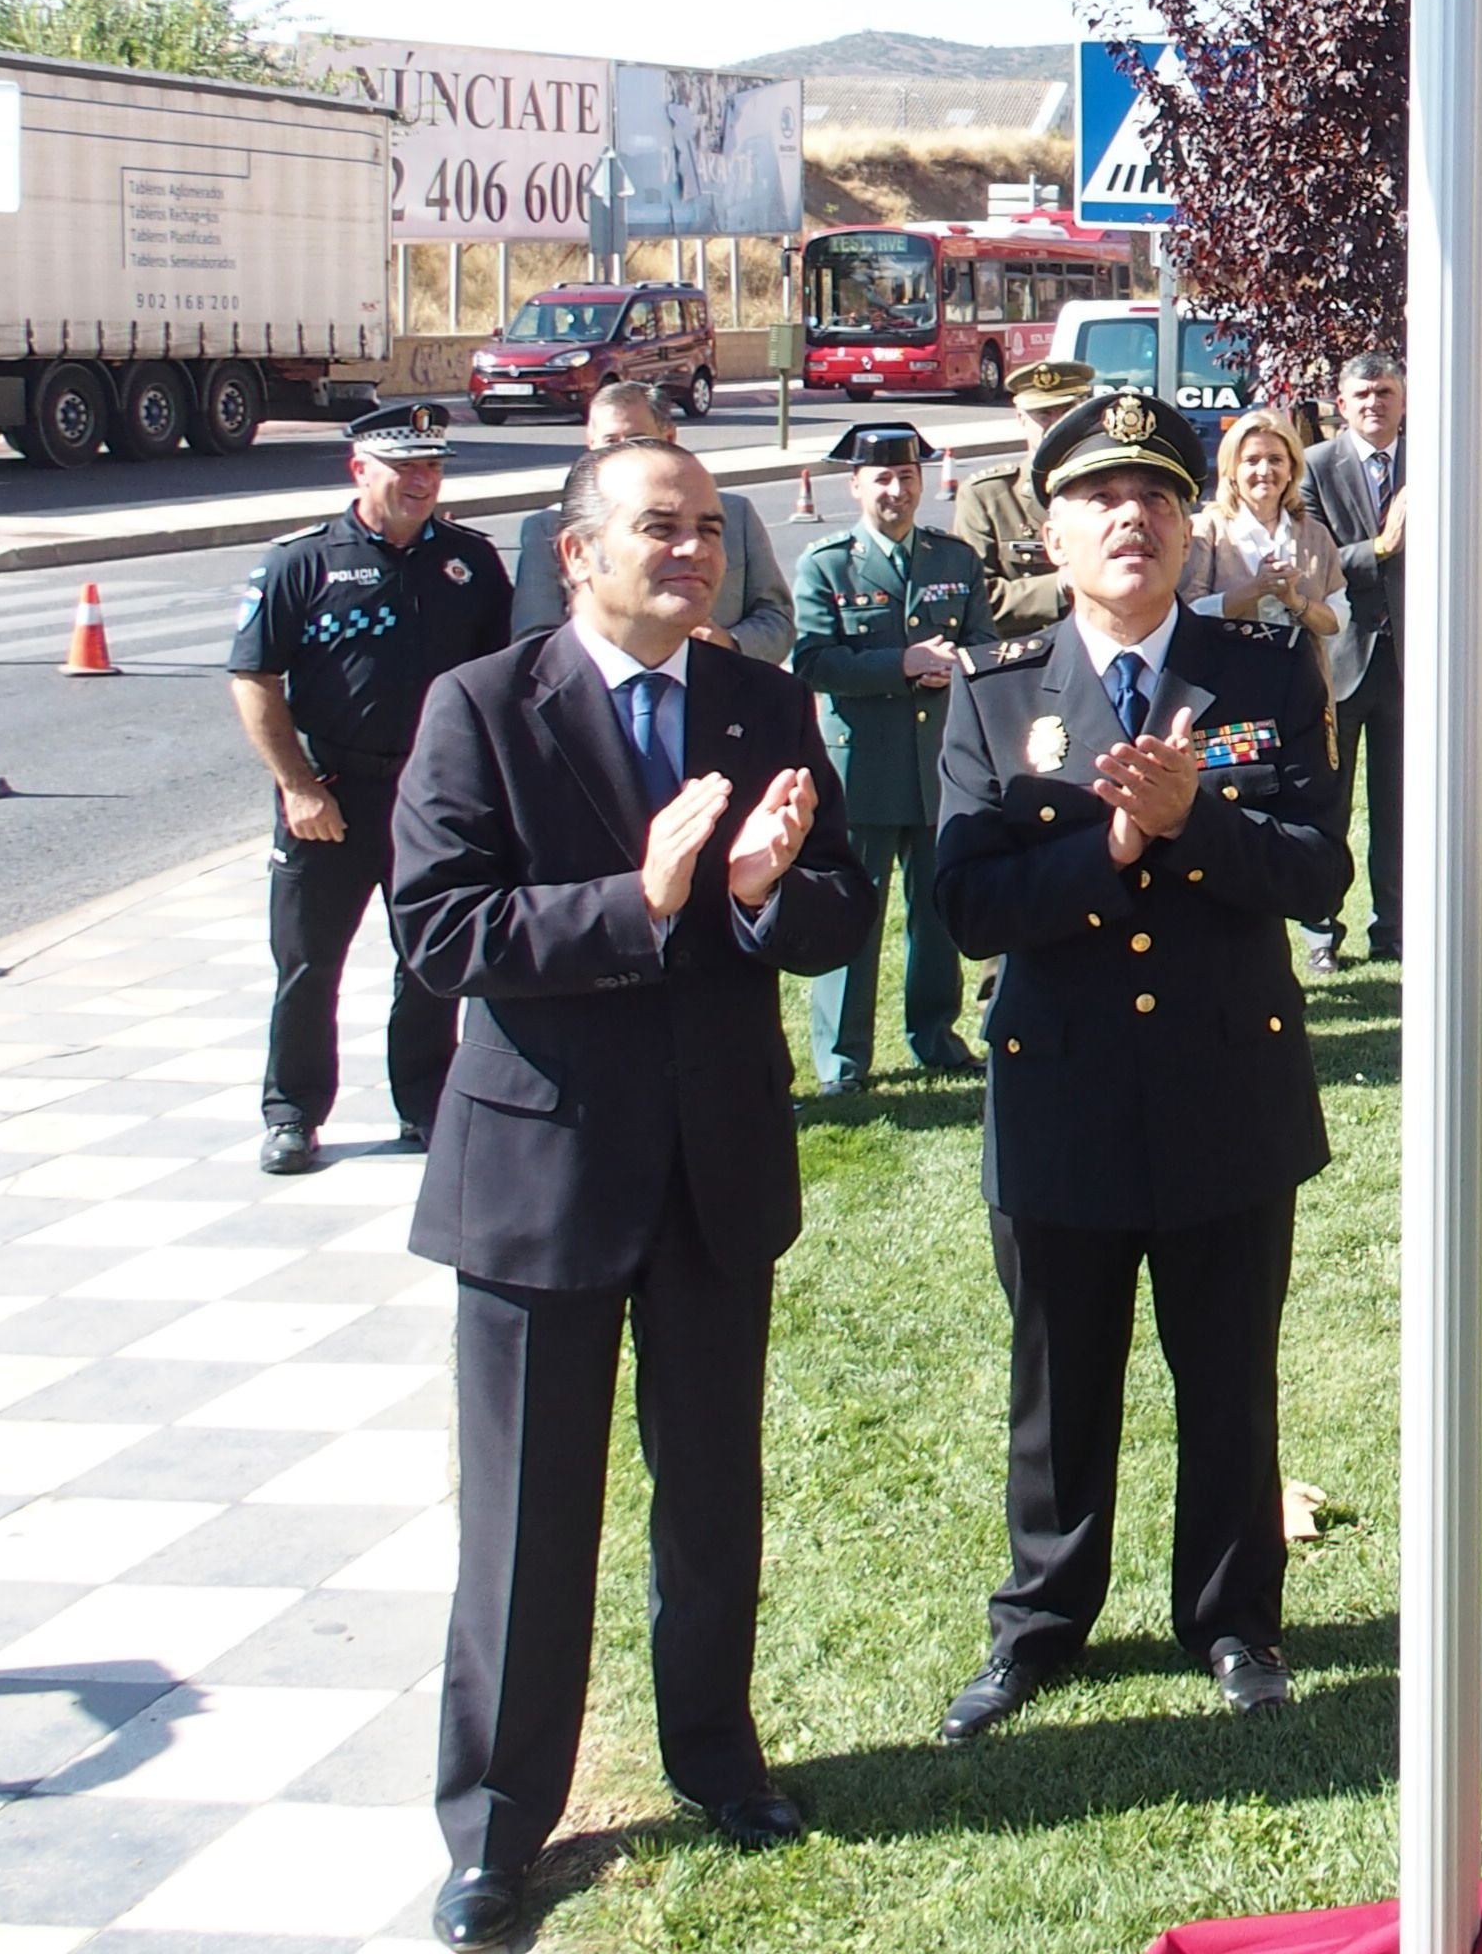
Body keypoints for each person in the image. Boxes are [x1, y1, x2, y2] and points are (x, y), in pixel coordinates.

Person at [390, 438, 873, 1947]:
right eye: (659, 529)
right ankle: (497, 1829)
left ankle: (716, 1758)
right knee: (530, 1522)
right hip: (544, 1174)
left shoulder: (763, 701)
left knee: (711, 1496)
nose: (691, 552)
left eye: (710, 530)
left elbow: (838, 905)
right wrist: (641, 900)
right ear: (576, 550)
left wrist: (754, 896)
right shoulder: (482, 706)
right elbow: (441, 929)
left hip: (715, 1166)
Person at [929, 390, 1343, 1743]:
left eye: (1161, 497)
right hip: (1065, 1092)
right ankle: (1042, 1624)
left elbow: (1317, 868)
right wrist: (1107, 852)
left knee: (1229, 1377)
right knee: (1062, 1382)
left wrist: (1196, 829)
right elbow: (969, 906)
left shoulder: (1266, 673)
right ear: (1050, 536)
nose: (1134, 520)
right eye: (1102, 501)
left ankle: (1234, 1620)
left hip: (1226, 1084)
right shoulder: (998, 699)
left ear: (1191, 528)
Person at [225, 403, 518, 1174]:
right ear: (361, 470)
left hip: (434, 797)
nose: (422, 482)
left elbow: (503, 676)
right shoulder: (302, 562)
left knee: (430, 960)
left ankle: (425, 1103)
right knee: (307, 963)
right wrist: (296, 786)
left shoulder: (469, 562)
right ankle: (293, 1113)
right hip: (333, 793)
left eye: (432, 467)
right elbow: (254, 678)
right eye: (404, 468)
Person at [790, 421, 990, 1090]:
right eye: (881, 479)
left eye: (907, 478)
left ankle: (934, 1034)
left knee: (935, 911)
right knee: (854, 911)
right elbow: (812, 660)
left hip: (938, 765)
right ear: (855, 486)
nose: (896, 491)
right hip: (863, 769)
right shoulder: (828, 563)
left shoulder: (953, 560)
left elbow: (984, 647)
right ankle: (842, 1059)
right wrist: (900, 663)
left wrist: (956, 665)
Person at [508, 380, 793, 663]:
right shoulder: (549, 528)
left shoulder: (734, 514)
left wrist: (729, 644)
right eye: (609, 442)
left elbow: (777, 619)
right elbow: (535, 641)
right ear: (590, 444)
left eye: (636, 440)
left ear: (668, 437)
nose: (692, 548)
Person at [1303, 350, 1412, 966]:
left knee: (1400, 810)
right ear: (1342, 405)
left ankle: (1394, 931)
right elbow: (1315, 564)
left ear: (1402, 400)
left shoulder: (1433, 460)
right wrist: (1382, 546)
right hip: (1336, 663)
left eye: (1386, 393)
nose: (1375, 404)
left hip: (1408, 666)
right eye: (1363, 395)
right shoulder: (1316, 468)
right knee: (1328, 807)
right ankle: (1322, 934)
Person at [1185, 405, 1350, 650]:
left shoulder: (1315, 534)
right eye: (1251, 460)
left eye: (1276, 460)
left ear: (1291, 470)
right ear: (1231, 470)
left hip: (1302, 681)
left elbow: (1338, 621)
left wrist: (1296, 602)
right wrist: (1256, 589)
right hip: (1227, 679)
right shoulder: (1206, 530)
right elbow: (1188, 616)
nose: (1264, 471)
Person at [956, 357, 1100, 638]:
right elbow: (974, 600)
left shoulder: (1116, 492)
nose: (1056, 424)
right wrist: (1061, 586)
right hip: (1028, 657)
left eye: (1067, 411)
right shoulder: (987, 496)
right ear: (1021, 418)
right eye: (1044, 414)